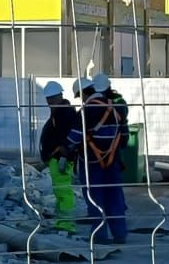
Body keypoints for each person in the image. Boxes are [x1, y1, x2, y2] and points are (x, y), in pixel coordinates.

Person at [79, 72, 129, 244]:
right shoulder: (119, 106)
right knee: (114, 196)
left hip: (93, 162)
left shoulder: (88, 109)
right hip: (113, 160)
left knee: (95, 197)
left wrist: (68, 151)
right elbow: (124, 137)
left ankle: (100, 236)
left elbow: (77, 135)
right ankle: (120, 234)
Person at [36, 81, 80, 233]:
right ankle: (62, 222)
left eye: (51, 99)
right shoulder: (60, 111)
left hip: (60, 159)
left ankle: (67, 224)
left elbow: (67, 138)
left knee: (64, 192)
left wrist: (63, 156)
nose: (49, 103)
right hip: (57, 158)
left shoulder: (64, 113)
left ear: (57, 98)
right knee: (60, 191)